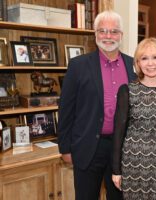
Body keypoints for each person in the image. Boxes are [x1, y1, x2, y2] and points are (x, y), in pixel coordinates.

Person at [57, 10, 136, 200]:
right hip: (87, 147)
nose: (108, 36)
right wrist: (65, 148)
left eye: (114, 31)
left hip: (123, 149)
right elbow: (66, 109)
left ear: (121, 36)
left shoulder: (133, 65)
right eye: (103, 31)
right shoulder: (78, 65)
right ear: (95, 34)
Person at [111, 37, 156, 199]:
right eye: (144, 58)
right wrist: (116, 170)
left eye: (155, 57)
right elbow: (118, 133)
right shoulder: (127, 90)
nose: (150, 63)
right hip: (132, 163)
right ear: (138, 63)